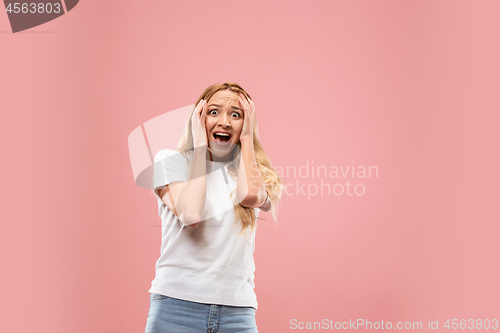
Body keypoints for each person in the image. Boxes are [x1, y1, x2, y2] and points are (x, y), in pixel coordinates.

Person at [144, 82, 283, 333]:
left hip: (237, 314)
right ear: (199, 118)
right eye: (214, 112)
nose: (225, 122)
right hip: (175, 309)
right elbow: (191, 214)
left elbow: (250, 196)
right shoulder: (170, 161)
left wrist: (248, 139)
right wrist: (199, 148)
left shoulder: (254, 173)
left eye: (236, 114)